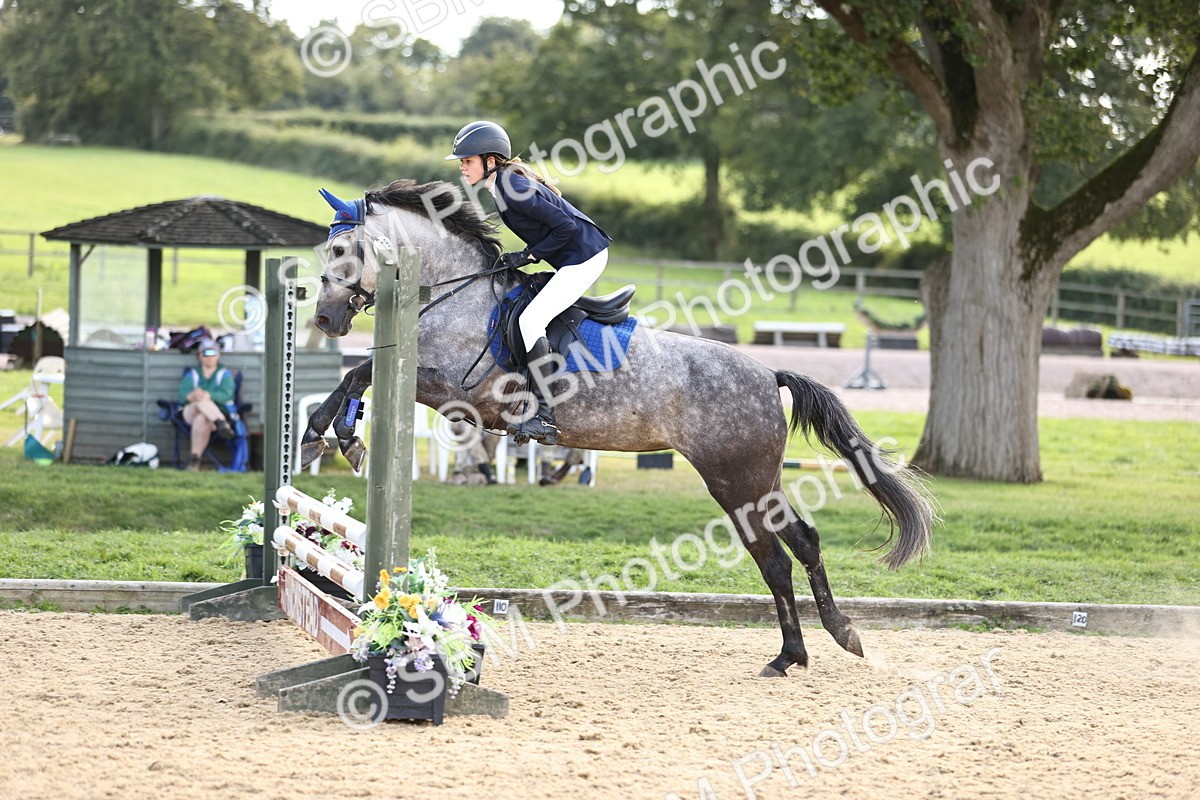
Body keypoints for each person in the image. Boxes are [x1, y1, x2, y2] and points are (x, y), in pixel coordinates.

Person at [446, 120, 613, 446]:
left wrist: (529, 256)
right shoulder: (504, 184)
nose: (463, 168)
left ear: (490, 161)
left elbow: (565, 228)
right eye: (462, 162)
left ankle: (544, 416)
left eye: (467, 161)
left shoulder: (512, 188)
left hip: (585, 258)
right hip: (574, 256)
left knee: (531, 319)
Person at [178, 338, 236, 470]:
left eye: (213, 353)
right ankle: (221, 423)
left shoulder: (224, 374)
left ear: (219, 355)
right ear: (199, 355)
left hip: (210, 416)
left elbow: (227, 394)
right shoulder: (192, 374)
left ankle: (194, 460)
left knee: (201, 418)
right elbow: (181, 397)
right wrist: (192, 395)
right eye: (206, 353)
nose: (209, 358)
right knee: (200, 401)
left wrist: (209, 395)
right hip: (191, 412)